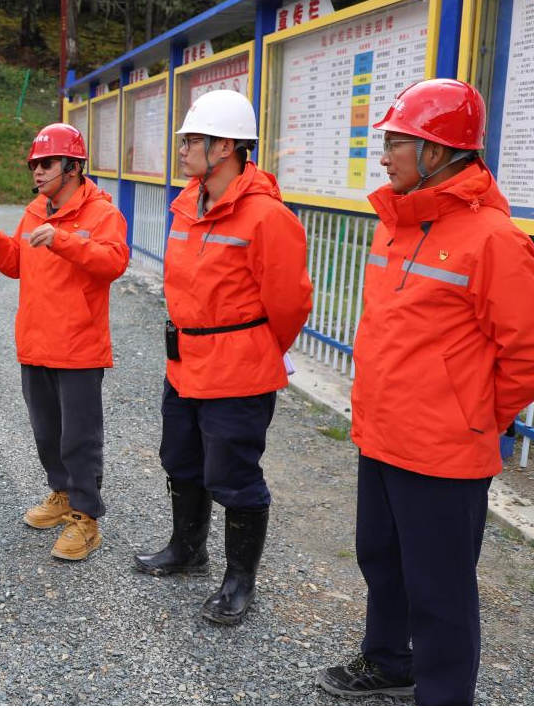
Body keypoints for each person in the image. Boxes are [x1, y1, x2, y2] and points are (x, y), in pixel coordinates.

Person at [317, 79, 534, 705]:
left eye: (395, 143)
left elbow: (525, 352)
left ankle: (444, 694)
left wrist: (473, 416)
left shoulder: (494, 239)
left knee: (440, 589)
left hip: (444, 451)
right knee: (381, 560)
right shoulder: (396, 224)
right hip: (382, 435)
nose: (383, 157)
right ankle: (389, 661)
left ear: (436, 152)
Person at [133, 89, 312, 626]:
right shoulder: (188, 204)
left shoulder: (266, 217)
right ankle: (187, 549)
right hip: (185, 360)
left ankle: (239, 580)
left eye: (192, 140)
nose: (182, 149)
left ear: (225, 147)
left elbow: (290, 305)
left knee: (233, 475)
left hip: (237, 369)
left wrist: (252, 348)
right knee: (180, 458)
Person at [0, 122, 128, 561]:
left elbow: (114, 262)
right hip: (36, 343)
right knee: (46, 433)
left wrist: (64, 241)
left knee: (79, 438)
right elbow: (18, 264)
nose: (38, 172)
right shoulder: (34, 212)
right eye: (34, 165)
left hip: (78, 348)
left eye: (47, 163)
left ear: (73, 166)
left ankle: (85, 517)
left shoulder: (101, 214)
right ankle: (61, 495)